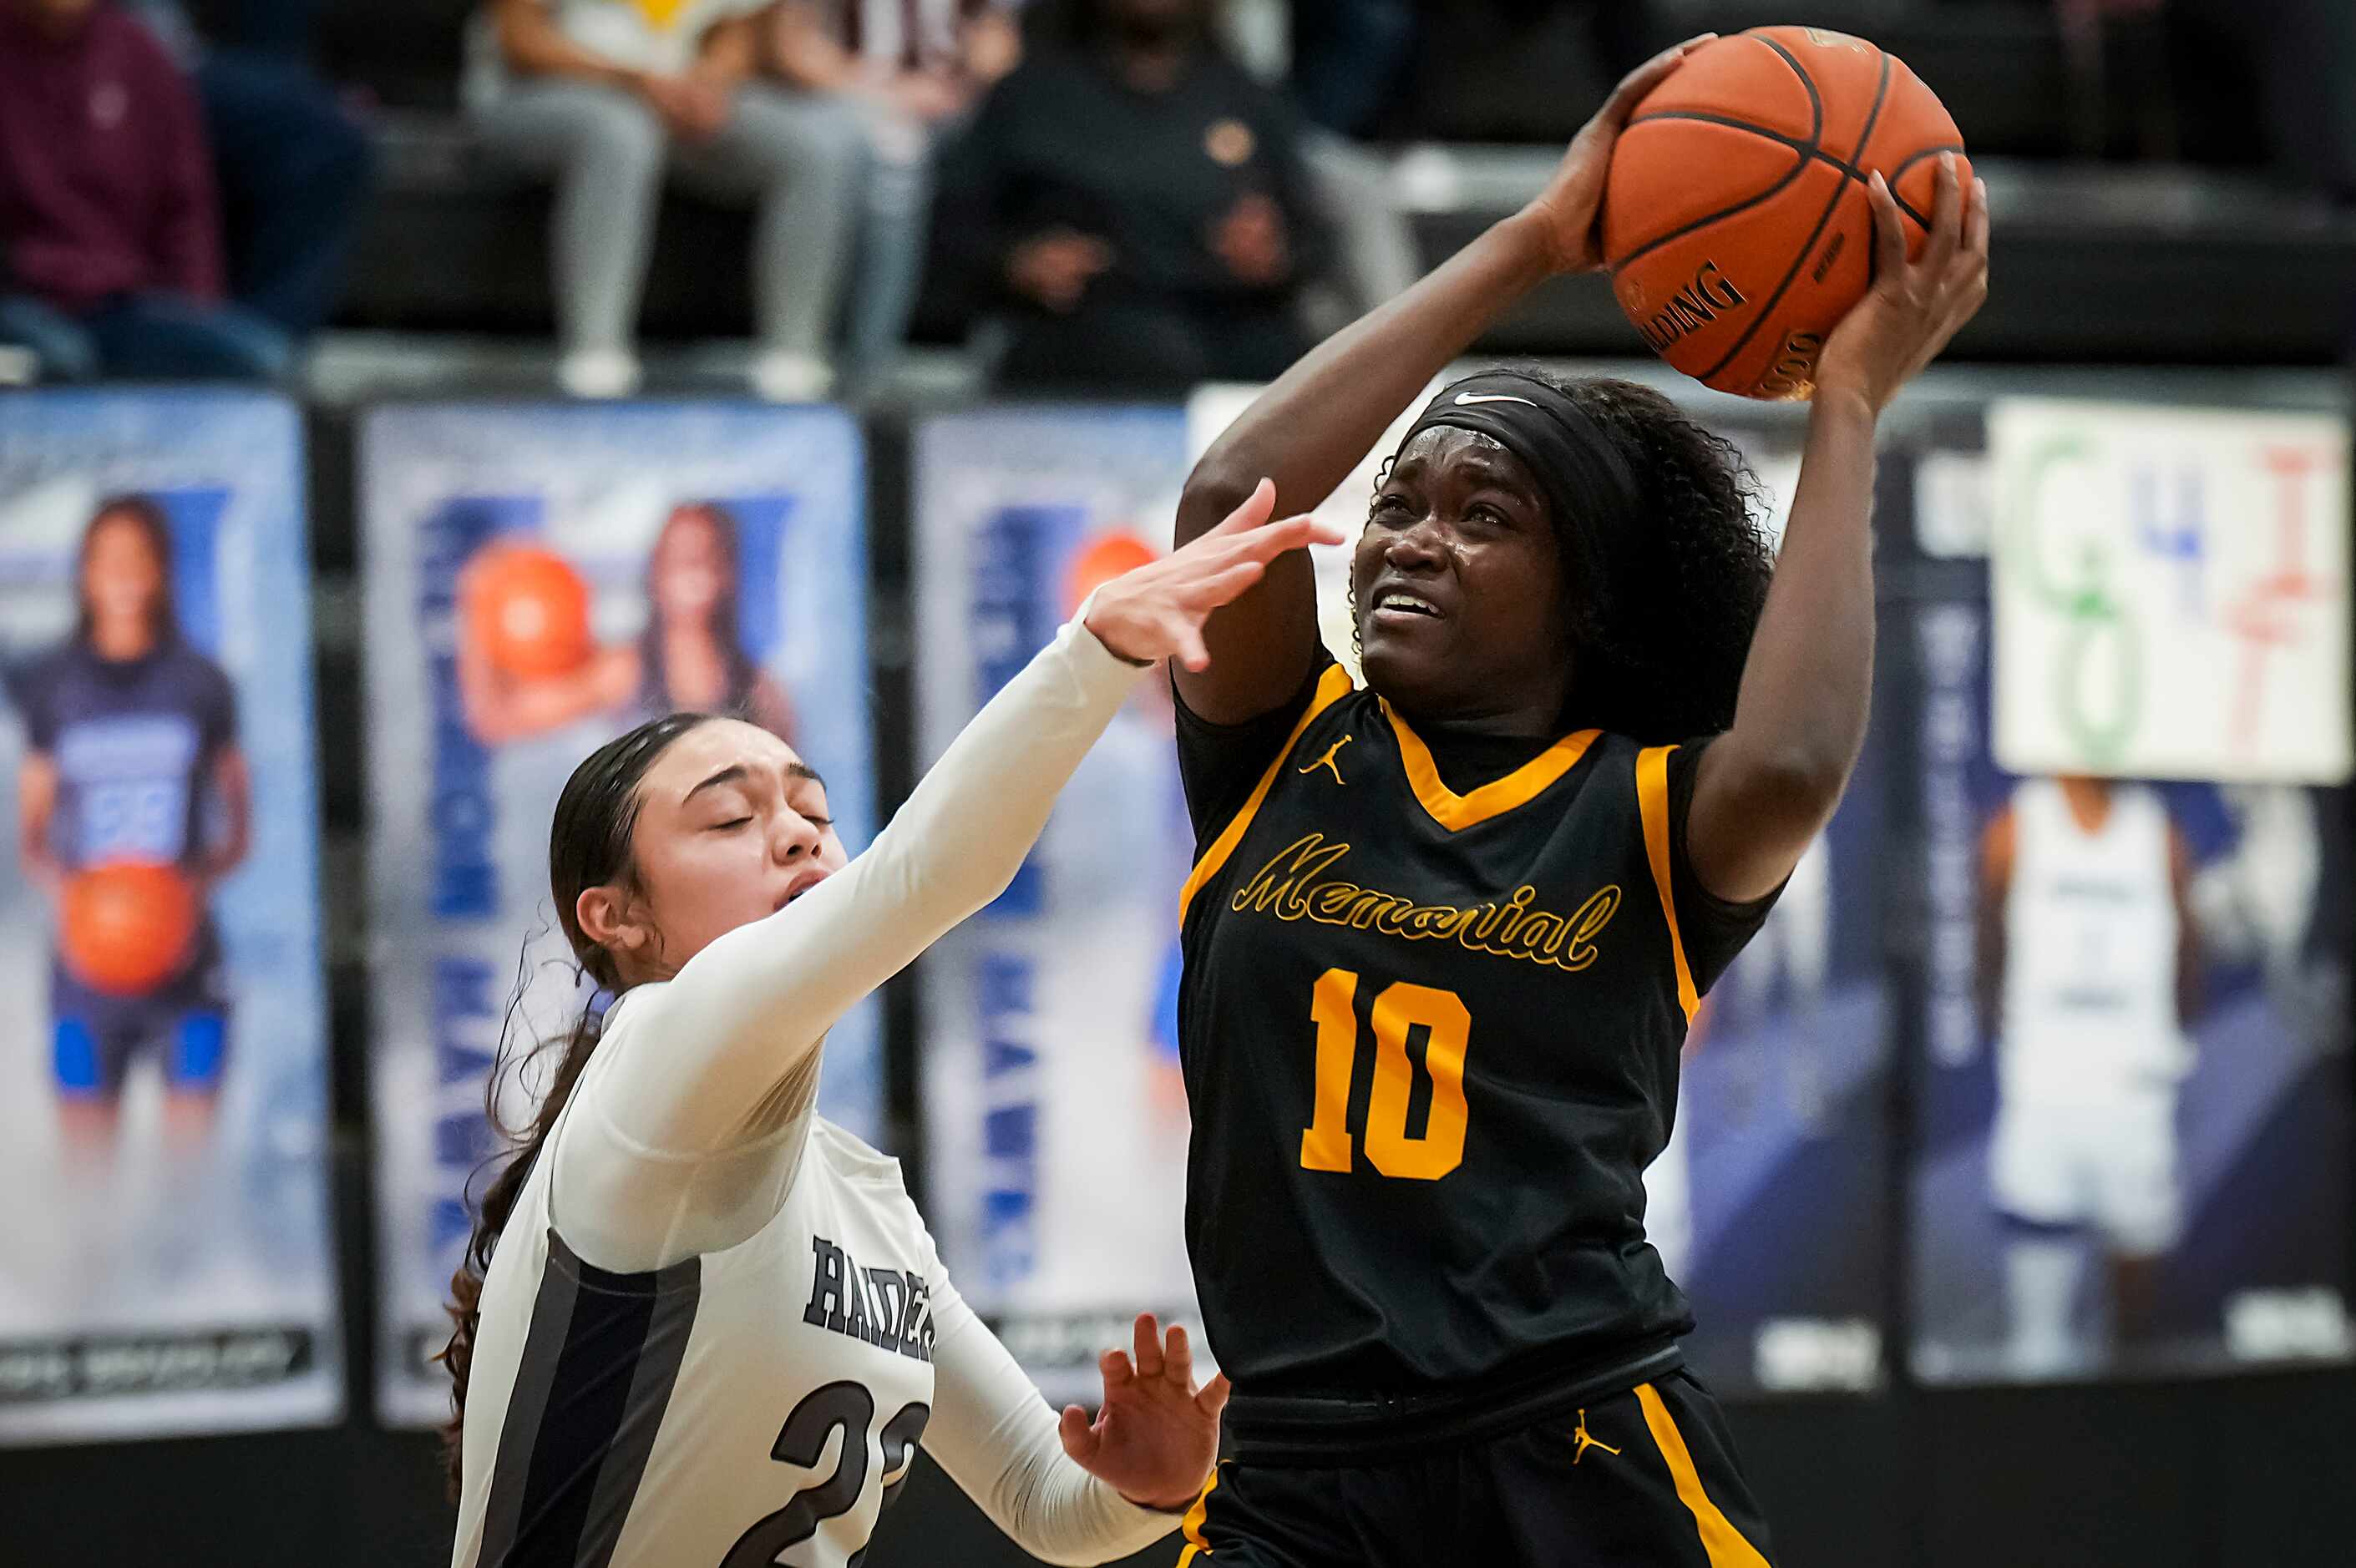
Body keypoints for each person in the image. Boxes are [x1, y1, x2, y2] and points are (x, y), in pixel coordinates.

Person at [1160, 32, 1989, 1564]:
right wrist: (1541, 240)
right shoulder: (1284, 748)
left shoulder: (1657, 815)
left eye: (1486, 518)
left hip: (1574, 1440)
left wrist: (1851, 400)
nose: (1410, 537)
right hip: (1290, 1462)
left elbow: (1797, 757)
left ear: (1585, 599)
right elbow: (1227, 507)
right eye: (1401, 503)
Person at [443, 489, 1341, 1566]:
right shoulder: (652, 1068)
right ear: (616, 918)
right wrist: (1095, 648)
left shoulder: (867, 1208)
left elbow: (1047, 1503)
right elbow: (925, 877)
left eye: (814, 815)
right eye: (731, 818)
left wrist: (1152, 1485)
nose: (794, 838)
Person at [467, 0, 866, 401]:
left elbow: (738, 27)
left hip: (673, 94)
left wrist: (710, 81)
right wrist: (634, 81)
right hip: (551, 89)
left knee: (810, 150)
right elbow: (521, 40)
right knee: (621, 133)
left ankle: (793, 358)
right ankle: (595, 353)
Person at [8, 495, 250, 1147]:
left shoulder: (202, 684)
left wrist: (190, 890)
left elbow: (238, 823)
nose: (123, 575)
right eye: (107, 559)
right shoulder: (53, 686)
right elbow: (30, 832)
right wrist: (74, 895)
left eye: (137, 559)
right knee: (88, 1181)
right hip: (87, 969)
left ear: (162, 571)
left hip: (186, 959)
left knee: (190, 1170)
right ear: (85, 573)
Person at [940, 0, 1331, 392]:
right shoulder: (1028, 96)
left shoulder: (1248, 97)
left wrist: (1274, 252)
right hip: (1085, 325)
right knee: (1147, 353)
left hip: (1230, 321)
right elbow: (951, 233)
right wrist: (1016, 262)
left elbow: (1313, 237)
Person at [1978, 773, 2199, 1377]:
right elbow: (1986, 953)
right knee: (2036, 1347)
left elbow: (2187, 957)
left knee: (2134, 1347)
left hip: (2133, 1107)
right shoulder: (2015, 826)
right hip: (2042, 1103)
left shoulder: (2160, 834)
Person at [0, 0, 291, 382]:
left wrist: (193, 306)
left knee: (264, 361)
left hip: (119, 298)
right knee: (63, 360)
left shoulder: (135, 49)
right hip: (19, 298)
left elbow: (185, 203)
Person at [760, 0, 1022, 392]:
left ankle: (999, 343)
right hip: (848, 96)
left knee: (1015, 141)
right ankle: (861, 362)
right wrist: (883, 94)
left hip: (956, 101)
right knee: (894, 162)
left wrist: (962, 85)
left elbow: (999, 46)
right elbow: (792, 45)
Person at [125, 0, 379, 344]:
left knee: (329, 134)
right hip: (129, 47)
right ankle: (253, 350)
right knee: (320, 137)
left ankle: (250, 347)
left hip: (196, 45)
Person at [459, 503, 797, 746]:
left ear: (729, 575)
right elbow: (497, 718)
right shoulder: (625, 673)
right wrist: (477, 600)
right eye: (679, 555)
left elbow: (794, 807)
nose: (693, 566)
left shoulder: (762, 695)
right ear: (656, 574)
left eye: (708, 553)